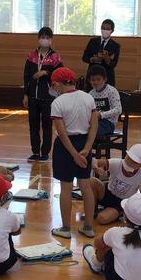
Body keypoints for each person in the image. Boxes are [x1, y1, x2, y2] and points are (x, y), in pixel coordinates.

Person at [49, 67, 98, 239]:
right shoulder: (88, 97)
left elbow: (62, 134)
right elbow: (94, 126)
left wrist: (74, 155)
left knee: (66, 187)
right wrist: (87, 149)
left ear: (56, 84)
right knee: (85, 185)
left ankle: (65, 229)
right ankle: (88, 227)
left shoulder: (57, 103)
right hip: (84, 143)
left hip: (65, 147)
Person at [82, 193, 141, 280]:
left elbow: (97, 244)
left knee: (108, 246)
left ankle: (96, 264)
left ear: (125, 216)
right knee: (119, 247)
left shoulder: (115, 233)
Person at [23, 27, 63, 162]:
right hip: (33, 96)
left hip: (48, 97)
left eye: (47, 37)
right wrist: (25, 94)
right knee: (33, 125)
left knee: (46, 125)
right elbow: (26, 76)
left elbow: (60, 74)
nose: (44, 40)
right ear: (38, 39)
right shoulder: (31, 56)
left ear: (51, 39)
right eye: (42, 37)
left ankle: (45, 152)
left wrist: (46, 72)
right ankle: (35, 152)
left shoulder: (55, 56)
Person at [90, 144, 141, 225]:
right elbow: (95, 161)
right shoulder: (117, 163)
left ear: (140, 165)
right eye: (128, 158)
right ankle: (93, 209)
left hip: (121, 202)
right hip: (107, 192)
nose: (129, 162)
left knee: (102, 219)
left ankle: (120, 212)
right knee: (92, 181)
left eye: (133, 161)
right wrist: (96, 168)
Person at [82, 19, 121, 88]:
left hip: (107, 77)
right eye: (103, 28)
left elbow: (114, 64)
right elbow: (84, 57)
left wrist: (107, 60)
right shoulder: (93, 41)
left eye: (107, 29)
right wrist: (92, 59)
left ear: (112, 31)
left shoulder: (115, 46)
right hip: (92, 76)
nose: (105, 30)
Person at [88, 65, 122, 137]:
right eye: (93, 80)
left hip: (109, 123)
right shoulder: (90, 93)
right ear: (89, 81)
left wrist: (101, 115)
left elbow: (118, 109)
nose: (95, 82)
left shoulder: (111, 91)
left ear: (105, 79)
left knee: (92, 130)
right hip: (95, 121)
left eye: (98, 79)